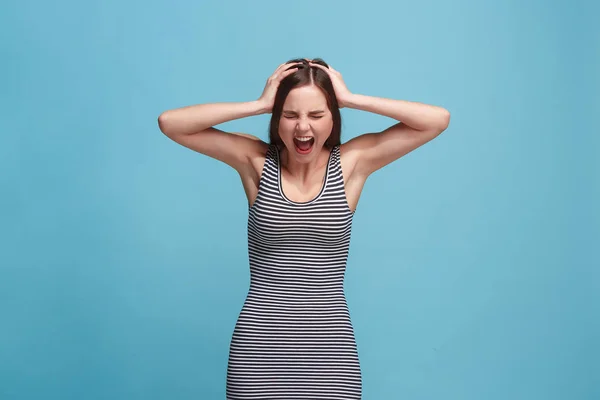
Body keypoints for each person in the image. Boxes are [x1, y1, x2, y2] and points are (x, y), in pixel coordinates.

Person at [158, 58, 450, 399]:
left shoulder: (352, 165)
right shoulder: (255, 162)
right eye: (290, 114)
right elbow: (171, 123)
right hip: (258, 354)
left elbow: (436, 120)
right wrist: (259, 104)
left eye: (316, 114)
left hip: (331, 356)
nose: (302, 128)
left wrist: (351, 98)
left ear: (333, 117)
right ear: (276, 117)